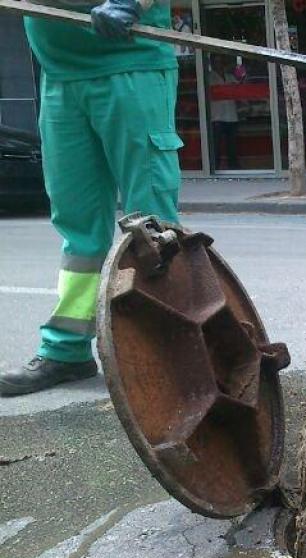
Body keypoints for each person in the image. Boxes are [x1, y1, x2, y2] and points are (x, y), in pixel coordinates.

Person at [0, 0, 182, 395]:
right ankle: (66, 349)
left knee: (151, 226)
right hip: (60, 73)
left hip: (130, 64)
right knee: (78, 228)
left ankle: (163, 349)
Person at [208, 55, 240, 170]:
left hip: (231, 116)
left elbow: (238, 90)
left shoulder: (230, 77)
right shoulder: (209, 77)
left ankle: (234, 168)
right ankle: (214, 168)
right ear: (212, 63)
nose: (219, 64)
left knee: (232, 146)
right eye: (216, 62)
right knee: (216, 146)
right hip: (217, 116)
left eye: (221, 62)